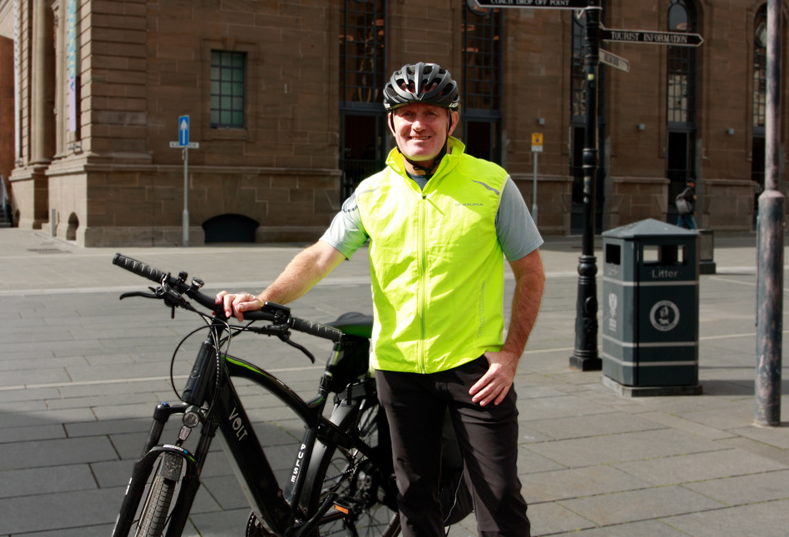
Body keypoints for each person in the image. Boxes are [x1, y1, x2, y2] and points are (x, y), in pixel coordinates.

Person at [218, 62, 545, 537]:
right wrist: (264, 297)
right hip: (399, 370)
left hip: (476, 370)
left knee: (499, 502)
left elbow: (531, 273)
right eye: (407, 112)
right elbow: (319, 257)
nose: (419, 124)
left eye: (431, 112)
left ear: (452, 121)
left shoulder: (492, 183)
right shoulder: (372, 193)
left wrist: (511, 354)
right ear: (391, 123)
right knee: (413, 501)